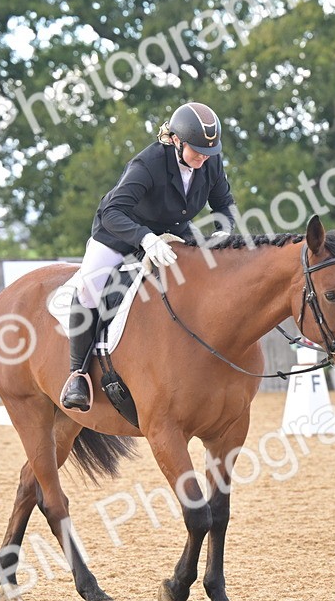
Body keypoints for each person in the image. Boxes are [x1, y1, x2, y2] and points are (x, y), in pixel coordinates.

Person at [60, 101, 239, 411]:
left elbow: (224, 204)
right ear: (176, 140)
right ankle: (77, 374)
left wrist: (223, 232)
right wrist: (145, 237)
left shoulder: (209, 160)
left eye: (207, 152)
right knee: (90, 286)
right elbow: (115, 211)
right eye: (195, 150)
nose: (202, 157)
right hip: (119, 233)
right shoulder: (148, 164)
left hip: (172, 233)